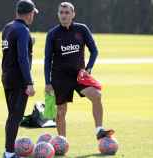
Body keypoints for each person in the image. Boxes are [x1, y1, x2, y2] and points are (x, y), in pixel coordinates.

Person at [44, 2, 114, 140]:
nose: (63, 15)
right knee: (61, 111)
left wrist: (88, 69)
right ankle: (62, 141)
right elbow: (47, 60)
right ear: (58, 14)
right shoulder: (52, 34)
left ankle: (99, 130)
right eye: (61, 12)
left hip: (79, 76)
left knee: (96, 95)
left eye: (67, 12)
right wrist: (48, 82)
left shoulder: (82, 29)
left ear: (73, 14)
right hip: (60, 77)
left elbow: (94, 51)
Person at [1, 0, 38, 157]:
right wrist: (29, 83)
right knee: (15, 117)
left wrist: (30, 42)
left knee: (12, 117)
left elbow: (11, 51)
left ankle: (8, 151)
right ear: (29, 14)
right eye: (32, 14)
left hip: (7, 77)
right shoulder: (23, 30)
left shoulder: (8, 27)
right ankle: (9, 153)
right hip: (19, 80)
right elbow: (22, 57)